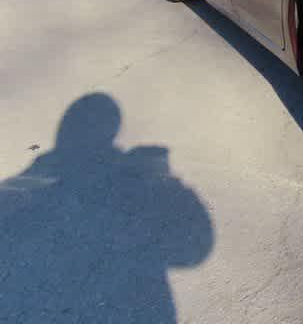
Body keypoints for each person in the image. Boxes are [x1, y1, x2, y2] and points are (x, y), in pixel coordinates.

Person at [0, 93, 213, 323]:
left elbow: (193, 249)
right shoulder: (48, 169)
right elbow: (194, 249)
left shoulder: (45, 168)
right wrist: (162, 177)